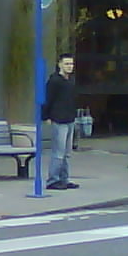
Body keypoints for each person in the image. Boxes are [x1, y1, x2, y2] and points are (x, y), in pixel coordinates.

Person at [41, 53, 78, 190]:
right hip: (59, 119)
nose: (70, 66)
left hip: (70, 119)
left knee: (66, 153)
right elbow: (48, 98)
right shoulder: (54, 81)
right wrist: (46, 116)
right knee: (58, 152)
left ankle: (64, 179)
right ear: (60, 64)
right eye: (67, 64)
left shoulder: (70, 81)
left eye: (71, 64)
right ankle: (53, 180)